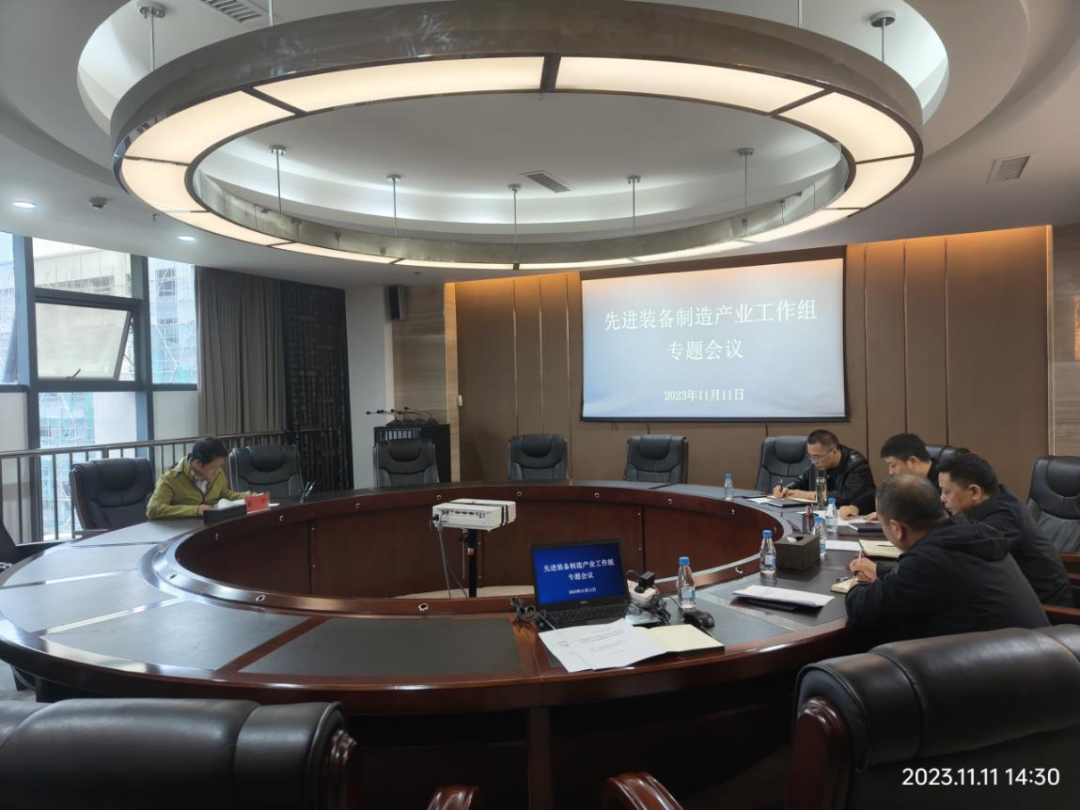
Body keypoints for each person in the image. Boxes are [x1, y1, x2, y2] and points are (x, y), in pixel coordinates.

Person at [845, 474, 1049, 639]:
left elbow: (860, 607)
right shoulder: (972, 532)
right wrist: (880, 571)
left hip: (997, 673)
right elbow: (941, 577)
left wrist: (857, 584)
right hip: (1045, 658)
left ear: (897, 529)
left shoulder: (928, 561)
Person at [937, 452, 1073, 607]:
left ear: (974, 492)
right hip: (1013, 601)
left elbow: (964, 558)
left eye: (946, 492)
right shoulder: (996, 502)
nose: (941, 498)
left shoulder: (1004, 519)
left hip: (1048, 612)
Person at [838, 432, 950, 519]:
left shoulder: (945, 481)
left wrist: (892, 515)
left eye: (893, 465)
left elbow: (934, 513)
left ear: (913, 461)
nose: (890, 472)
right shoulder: (909, 480)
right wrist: (855, 507)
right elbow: (882, 495)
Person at [146, 436, 252, 520]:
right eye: (214, 467)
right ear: (198, 464)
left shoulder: (218, 473)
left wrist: (248, 496)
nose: (219, 470)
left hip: (210, 527)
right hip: (183, 531)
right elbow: (153, 509)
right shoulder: (170, 479)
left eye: (220, 466)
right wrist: (195, 510)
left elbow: (224, 494)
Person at [772, 429, 875, 514]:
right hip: (823, 515)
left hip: (853, 520)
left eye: (816, 457)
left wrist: (805, 495)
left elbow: (847, 497)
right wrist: (785, 489)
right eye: (810, 456)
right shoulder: (818, 464)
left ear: (833, 452)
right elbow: (801, 482)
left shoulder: (857, 465)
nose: (813, 462)